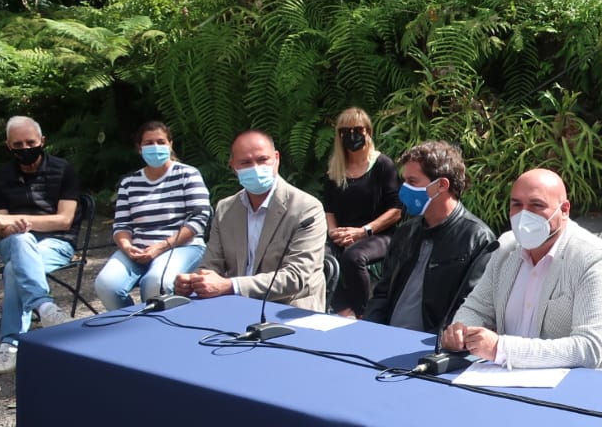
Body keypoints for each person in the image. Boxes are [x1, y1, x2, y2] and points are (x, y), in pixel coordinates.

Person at [439, 168, 602, 374]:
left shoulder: (592, 258)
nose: (524, 214)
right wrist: (461, 331)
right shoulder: (505, 247)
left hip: (593, 383)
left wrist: (501, 348)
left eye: (537, 205)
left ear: (565, 209)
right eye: (517, 204)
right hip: (510, 375)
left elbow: (588, 348)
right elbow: (476, 308)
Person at [175, 130, 326, 312]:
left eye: (263, 159)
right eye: (245, 162)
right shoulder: (225, 209)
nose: (255, 167)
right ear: (233, 166)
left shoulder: (306, 209)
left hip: (288, 310)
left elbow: (295, 278)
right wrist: (194, 281)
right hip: (234, 307)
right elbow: (211, 264)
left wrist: (231, 286)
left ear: (276, 158)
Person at [360, 141, 496, 332]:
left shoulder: (478, 239)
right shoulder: (405, 233)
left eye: (412, 181)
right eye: (404, 180)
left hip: (430, 348)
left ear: (441, 185)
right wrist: (367, 330)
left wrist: (437, 346)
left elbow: (469, 309)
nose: (404, 188)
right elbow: (382, 293)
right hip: (386, 338)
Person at [0, 115, 79, 375]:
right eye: (18, 145)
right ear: (8, 146)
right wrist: (8, 227)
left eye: (30, 142)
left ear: (42, 141)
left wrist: (16, 221)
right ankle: (44, 307)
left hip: (57, 244)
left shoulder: (63, 170)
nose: (25, 149)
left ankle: (10, 344)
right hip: (12, 243)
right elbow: (0, 226)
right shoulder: (2, 176)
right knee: (20, 240)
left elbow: (64, 220)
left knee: (15, 270)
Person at [93, 121, 212, 311]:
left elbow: (199, 219)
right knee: (106, 284)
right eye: (148, 143)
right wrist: (127, 247)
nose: (155, 147)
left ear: (170, 144)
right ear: (139, 148)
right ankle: (127, 325)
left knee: (155, 283)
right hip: (138, 250)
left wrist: (161, 247)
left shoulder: (188, 174)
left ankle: (157, 330)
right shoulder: (129, 183)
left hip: (181, 246)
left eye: (160, 141)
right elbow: (121, 225)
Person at [321, 108, 402, 317]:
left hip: (378, 234)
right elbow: (328, 209)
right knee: (318, 255)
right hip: (343, 234)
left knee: (354, 257)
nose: (351, 135)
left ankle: (366, 314)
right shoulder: (334, 169)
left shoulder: (383, 165)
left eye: (357, 129)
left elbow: (396, 210)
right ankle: (342, 310)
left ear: (368, 132)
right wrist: (334, 233)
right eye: (345, 131)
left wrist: (362, 232)